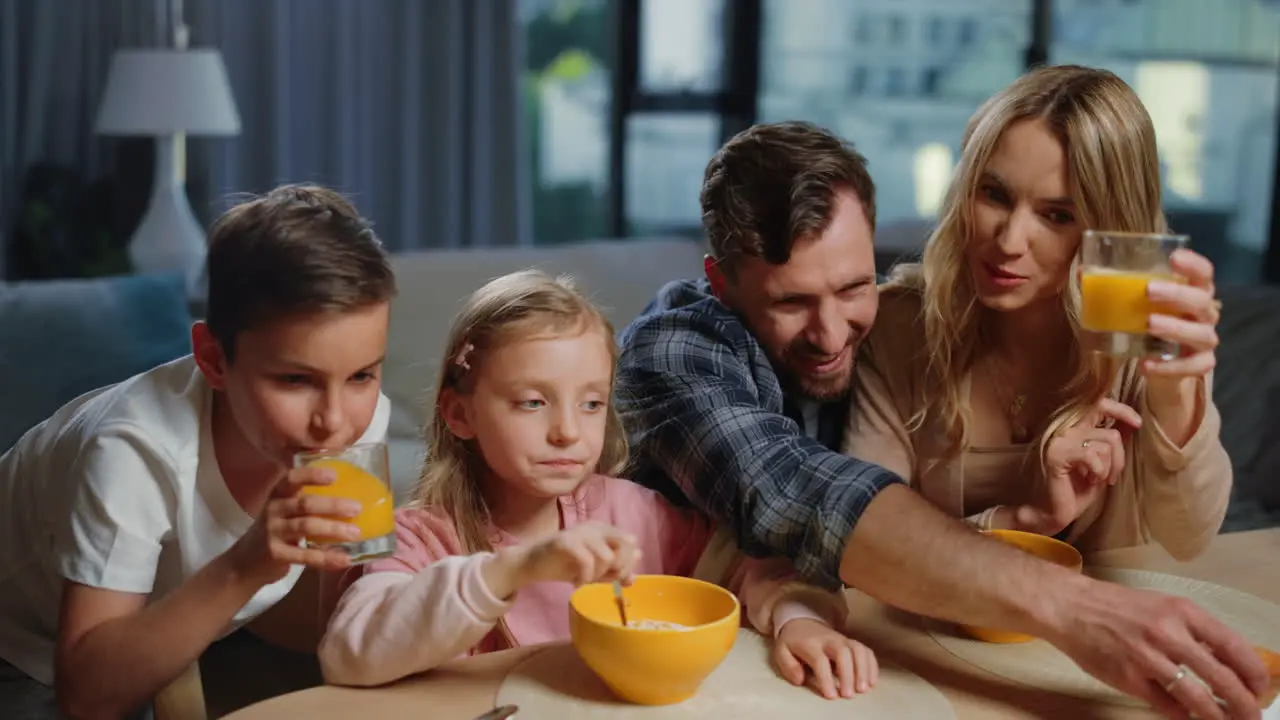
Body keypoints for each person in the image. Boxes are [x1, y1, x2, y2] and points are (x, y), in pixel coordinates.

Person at [614, 119, 1269, 719]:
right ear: (723, 284)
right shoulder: (675, 351)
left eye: (852, 287)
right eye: (792, 302)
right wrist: (1080, 611)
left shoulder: (896, 332)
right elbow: (797, 491)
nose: (832, 333)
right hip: (663, 675)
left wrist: (1031, 516)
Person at [318, 270, 879, 700]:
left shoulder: (629, 515)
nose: (566, 431)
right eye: (532, 402)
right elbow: (348, 654)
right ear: (459, 415)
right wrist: (512, 570)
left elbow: (753, 564)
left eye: (591, 403)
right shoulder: (424, 539)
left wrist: (798, 620)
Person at [0, 184, 396, 720]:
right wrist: (244, 566)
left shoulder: (357, 421)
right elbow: (86, 697)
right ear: (212, 358)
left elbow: (325, 631)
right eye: (295, 379)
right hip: (23, 648)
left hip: (139, 633)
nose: (335, 421)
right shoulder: (133, 452)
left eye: (361, 375)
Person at [843, 65, 1231, 563]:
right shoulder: (900, 326)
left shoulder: (1146, 328)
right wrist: (1026, 521)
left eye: (1057, 216)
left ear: (1110, 228)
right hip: (933, 631)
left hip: (1106, 632)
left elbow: (1188, 539)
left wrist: (1177, 396)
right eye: (994, 194)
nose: (1008, 242)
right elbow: (869, 536)